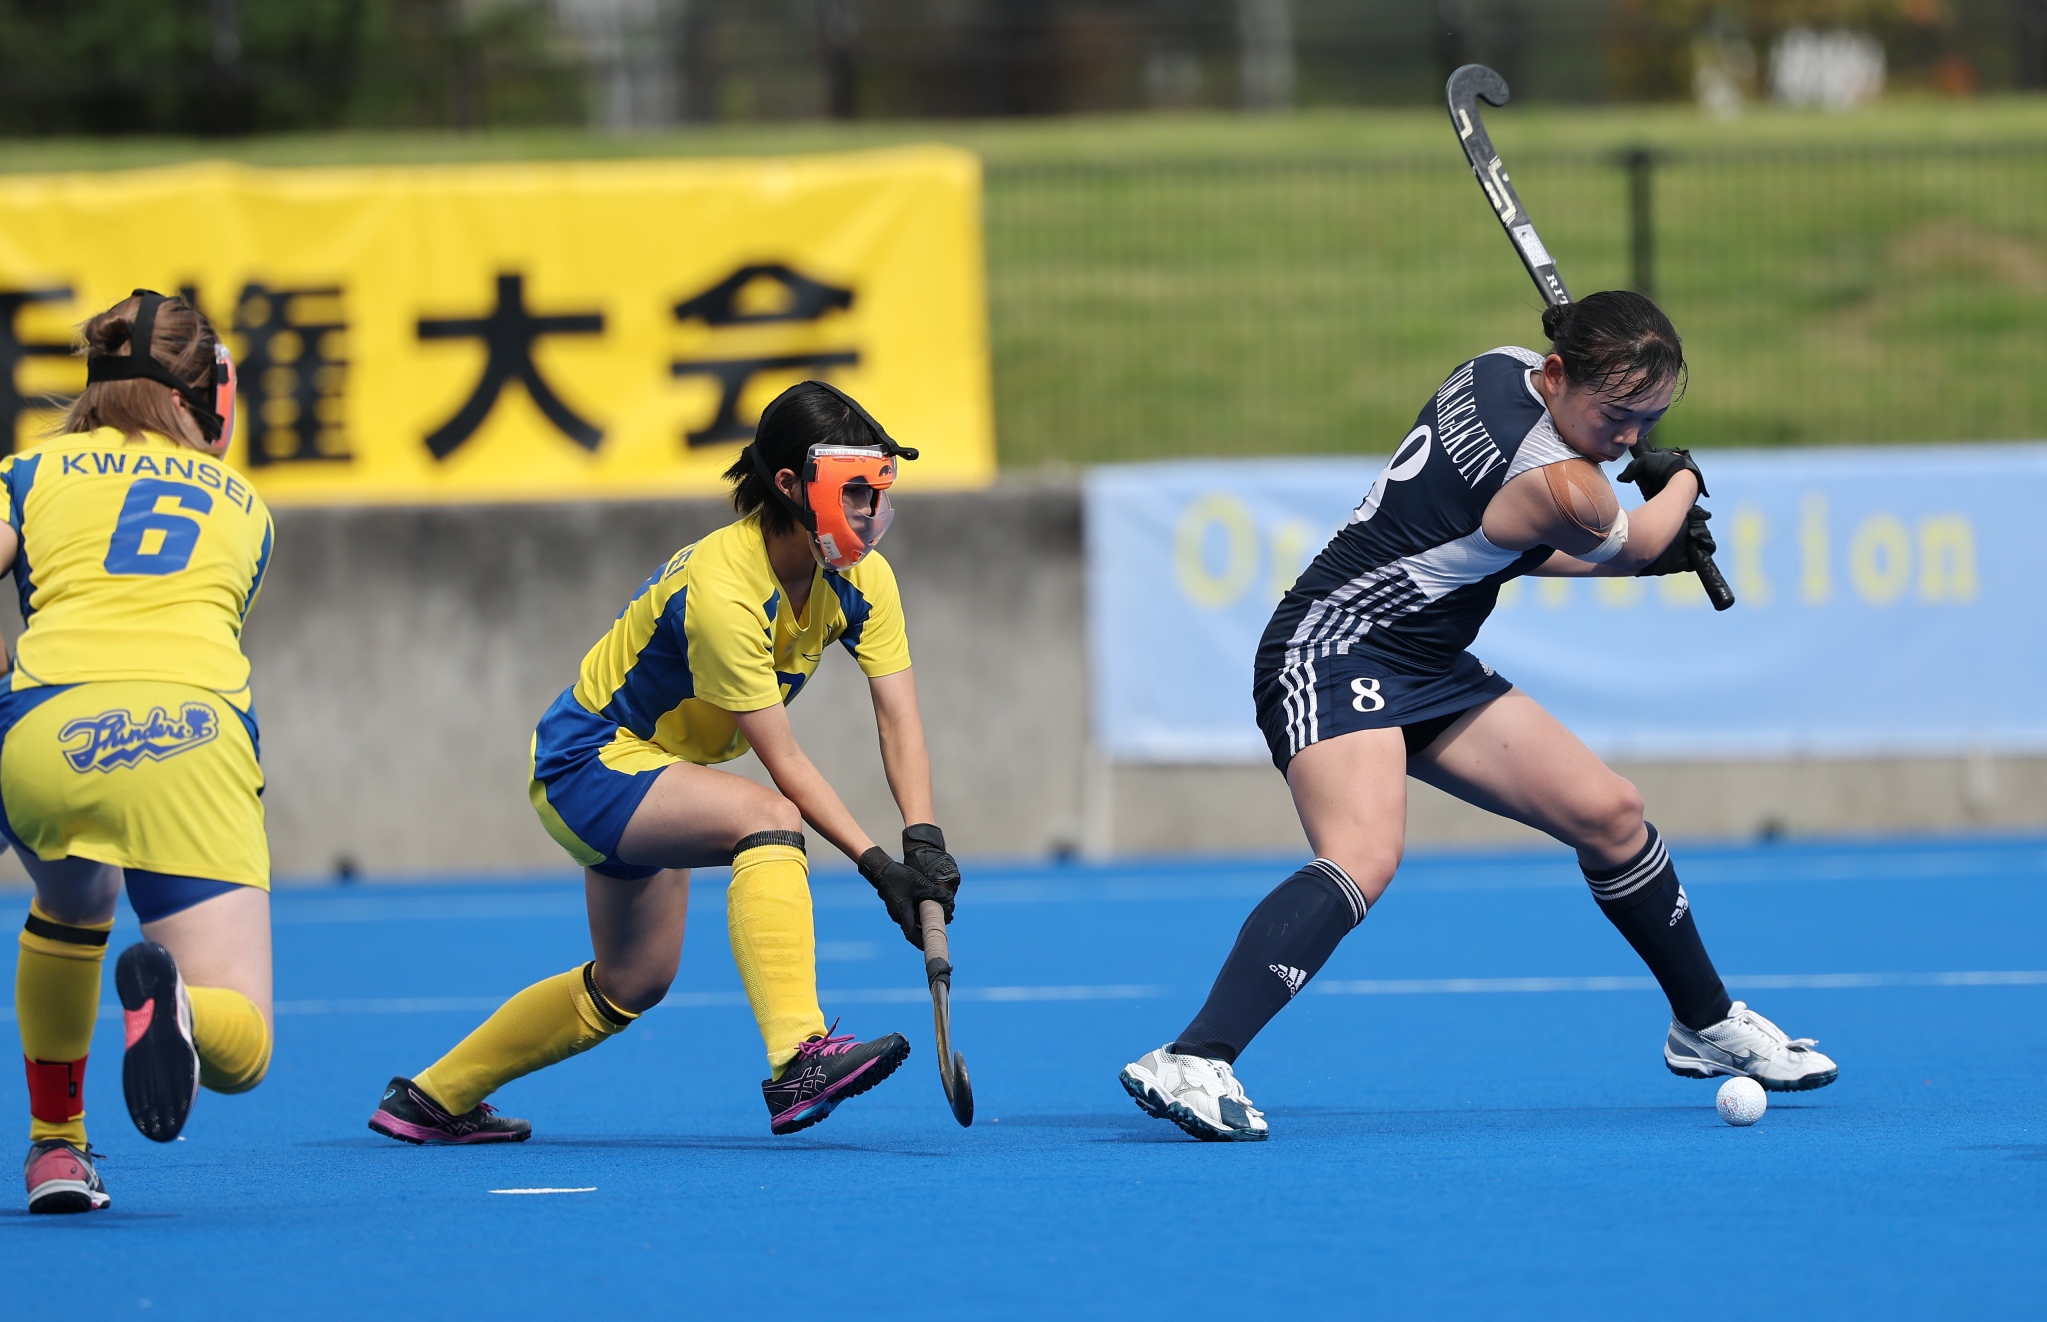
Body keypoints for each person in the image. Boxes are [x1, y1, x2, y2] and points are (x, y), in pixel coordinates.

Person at [1119, 291, 1838, 1141]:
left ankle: (1705, 1024)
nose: (1630, 439)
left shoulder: (1496, 368)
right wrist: (1681, 479)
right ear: (1558, 374)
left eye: (1651, 422)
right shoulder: (1565, 481)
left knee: (1610, 813)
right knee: (1362, 853)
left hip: (1423, 659)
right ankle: (1195, 1055)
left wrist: (1639, 537)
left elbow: (1499, 544)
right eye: (1617, 417)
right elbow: (1629, 534)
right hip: (1333, 648)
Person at [368, 382, 959, 1145]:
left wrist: (922, 841)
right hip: (587, 761)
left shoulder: (860, 578)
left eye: (878, 491)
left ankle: (431, 1098)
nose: (870, 513)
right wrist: (877, 866)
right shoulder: (725, 589)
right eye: (853, 492)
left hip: (662, 773)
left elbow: (898, 715)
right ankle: (798, 1058)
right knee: (769, 818)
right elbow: (783, 760)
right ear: (789, 485)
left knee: (631, 981)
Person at [4, 291, 274, 1212]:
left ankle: (56, 1147)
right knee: (244, 1046)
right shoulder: (247, 507)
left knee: (73, 897)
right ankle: (182, 1009)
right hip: (193, 736)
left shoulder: (27, 473)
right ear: (210, 393)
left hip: (47, 731)